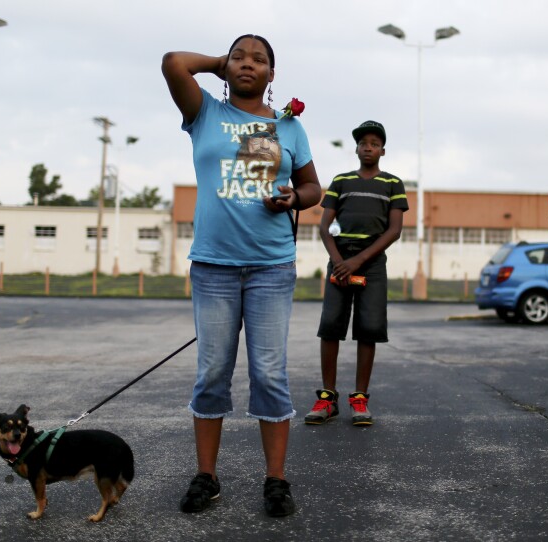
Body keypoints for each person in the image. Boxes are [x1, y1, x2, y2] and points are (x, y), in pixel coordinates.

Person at [161, 34, 322, 517]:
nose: (247, 64)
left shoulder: (289, 128)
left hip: (271, 266)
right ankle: (206, 478)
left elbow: (313, 186)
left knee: (269, 374)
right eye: (239, 57)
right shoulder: (204, 113)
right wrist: (219, 66)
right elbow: (172, 63)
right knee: (212, 373)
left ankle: (276, 481)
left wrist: (295, 198)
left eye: (259, 60)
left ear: (273, 76)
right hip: (213, 267)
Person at [304, 120, 408, 427]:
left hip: (372, 265)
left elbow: (394, 230)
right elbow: (325, 227)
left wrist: (359, 260)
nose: (368, 147)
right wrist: (339, 261)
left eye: (375, 143)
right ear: (357, 148)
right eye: (364, 143)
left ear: (383, 150)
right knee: (331, 327)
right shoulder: (341, 181)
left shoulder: (392, 184)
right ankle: (327, 399)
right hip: (340, 261)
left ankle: (360, 398)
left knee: (369, 329)